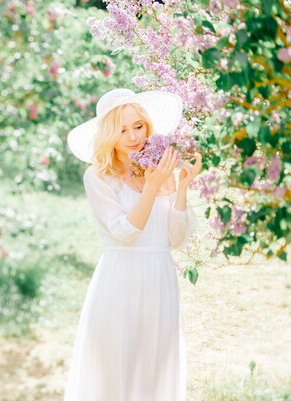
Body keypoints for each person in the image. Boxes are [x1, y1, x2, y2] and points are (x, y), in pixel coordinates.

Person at [63, 88, 202, 401]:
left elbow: (175, 240)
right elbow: (125, 232)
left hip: (160, 277)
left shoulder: (158, 171)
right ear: (109, 134)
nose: (132, 137)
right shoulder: (98, 176)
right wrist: (151, 189)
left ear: (148, 126)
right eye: (121, 129)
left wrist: (181, 188)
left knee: (155, 369)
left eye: (138, 126)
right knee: (114, 368)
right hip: (120, 278)